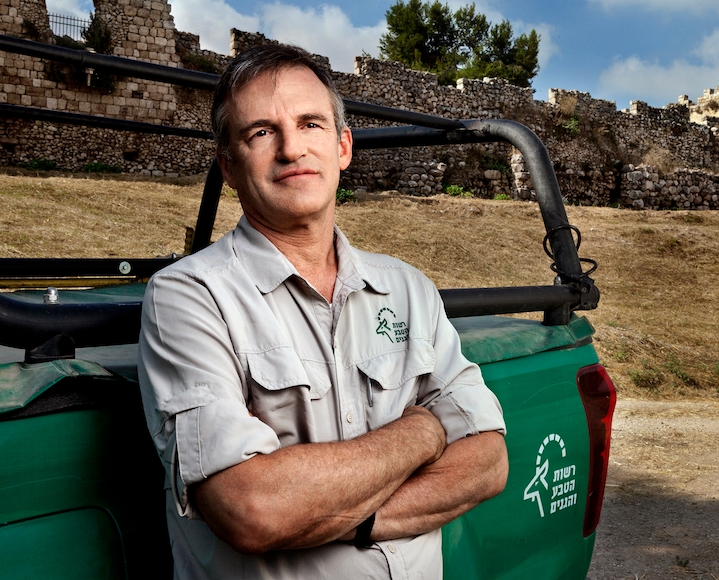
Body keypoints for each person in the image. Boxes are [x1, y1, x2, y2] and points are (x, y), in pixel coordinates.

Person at [137, 42, 508, 579]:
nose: (291, 149)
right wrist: (422, 433)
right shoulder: (191, 297)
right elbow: (252, 509)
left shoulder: (407, 289)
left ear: (342, 148)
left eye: (310, 124)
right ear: (229, 165)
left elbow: (487, 462)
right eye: (261, 132)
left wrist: (347, 518)